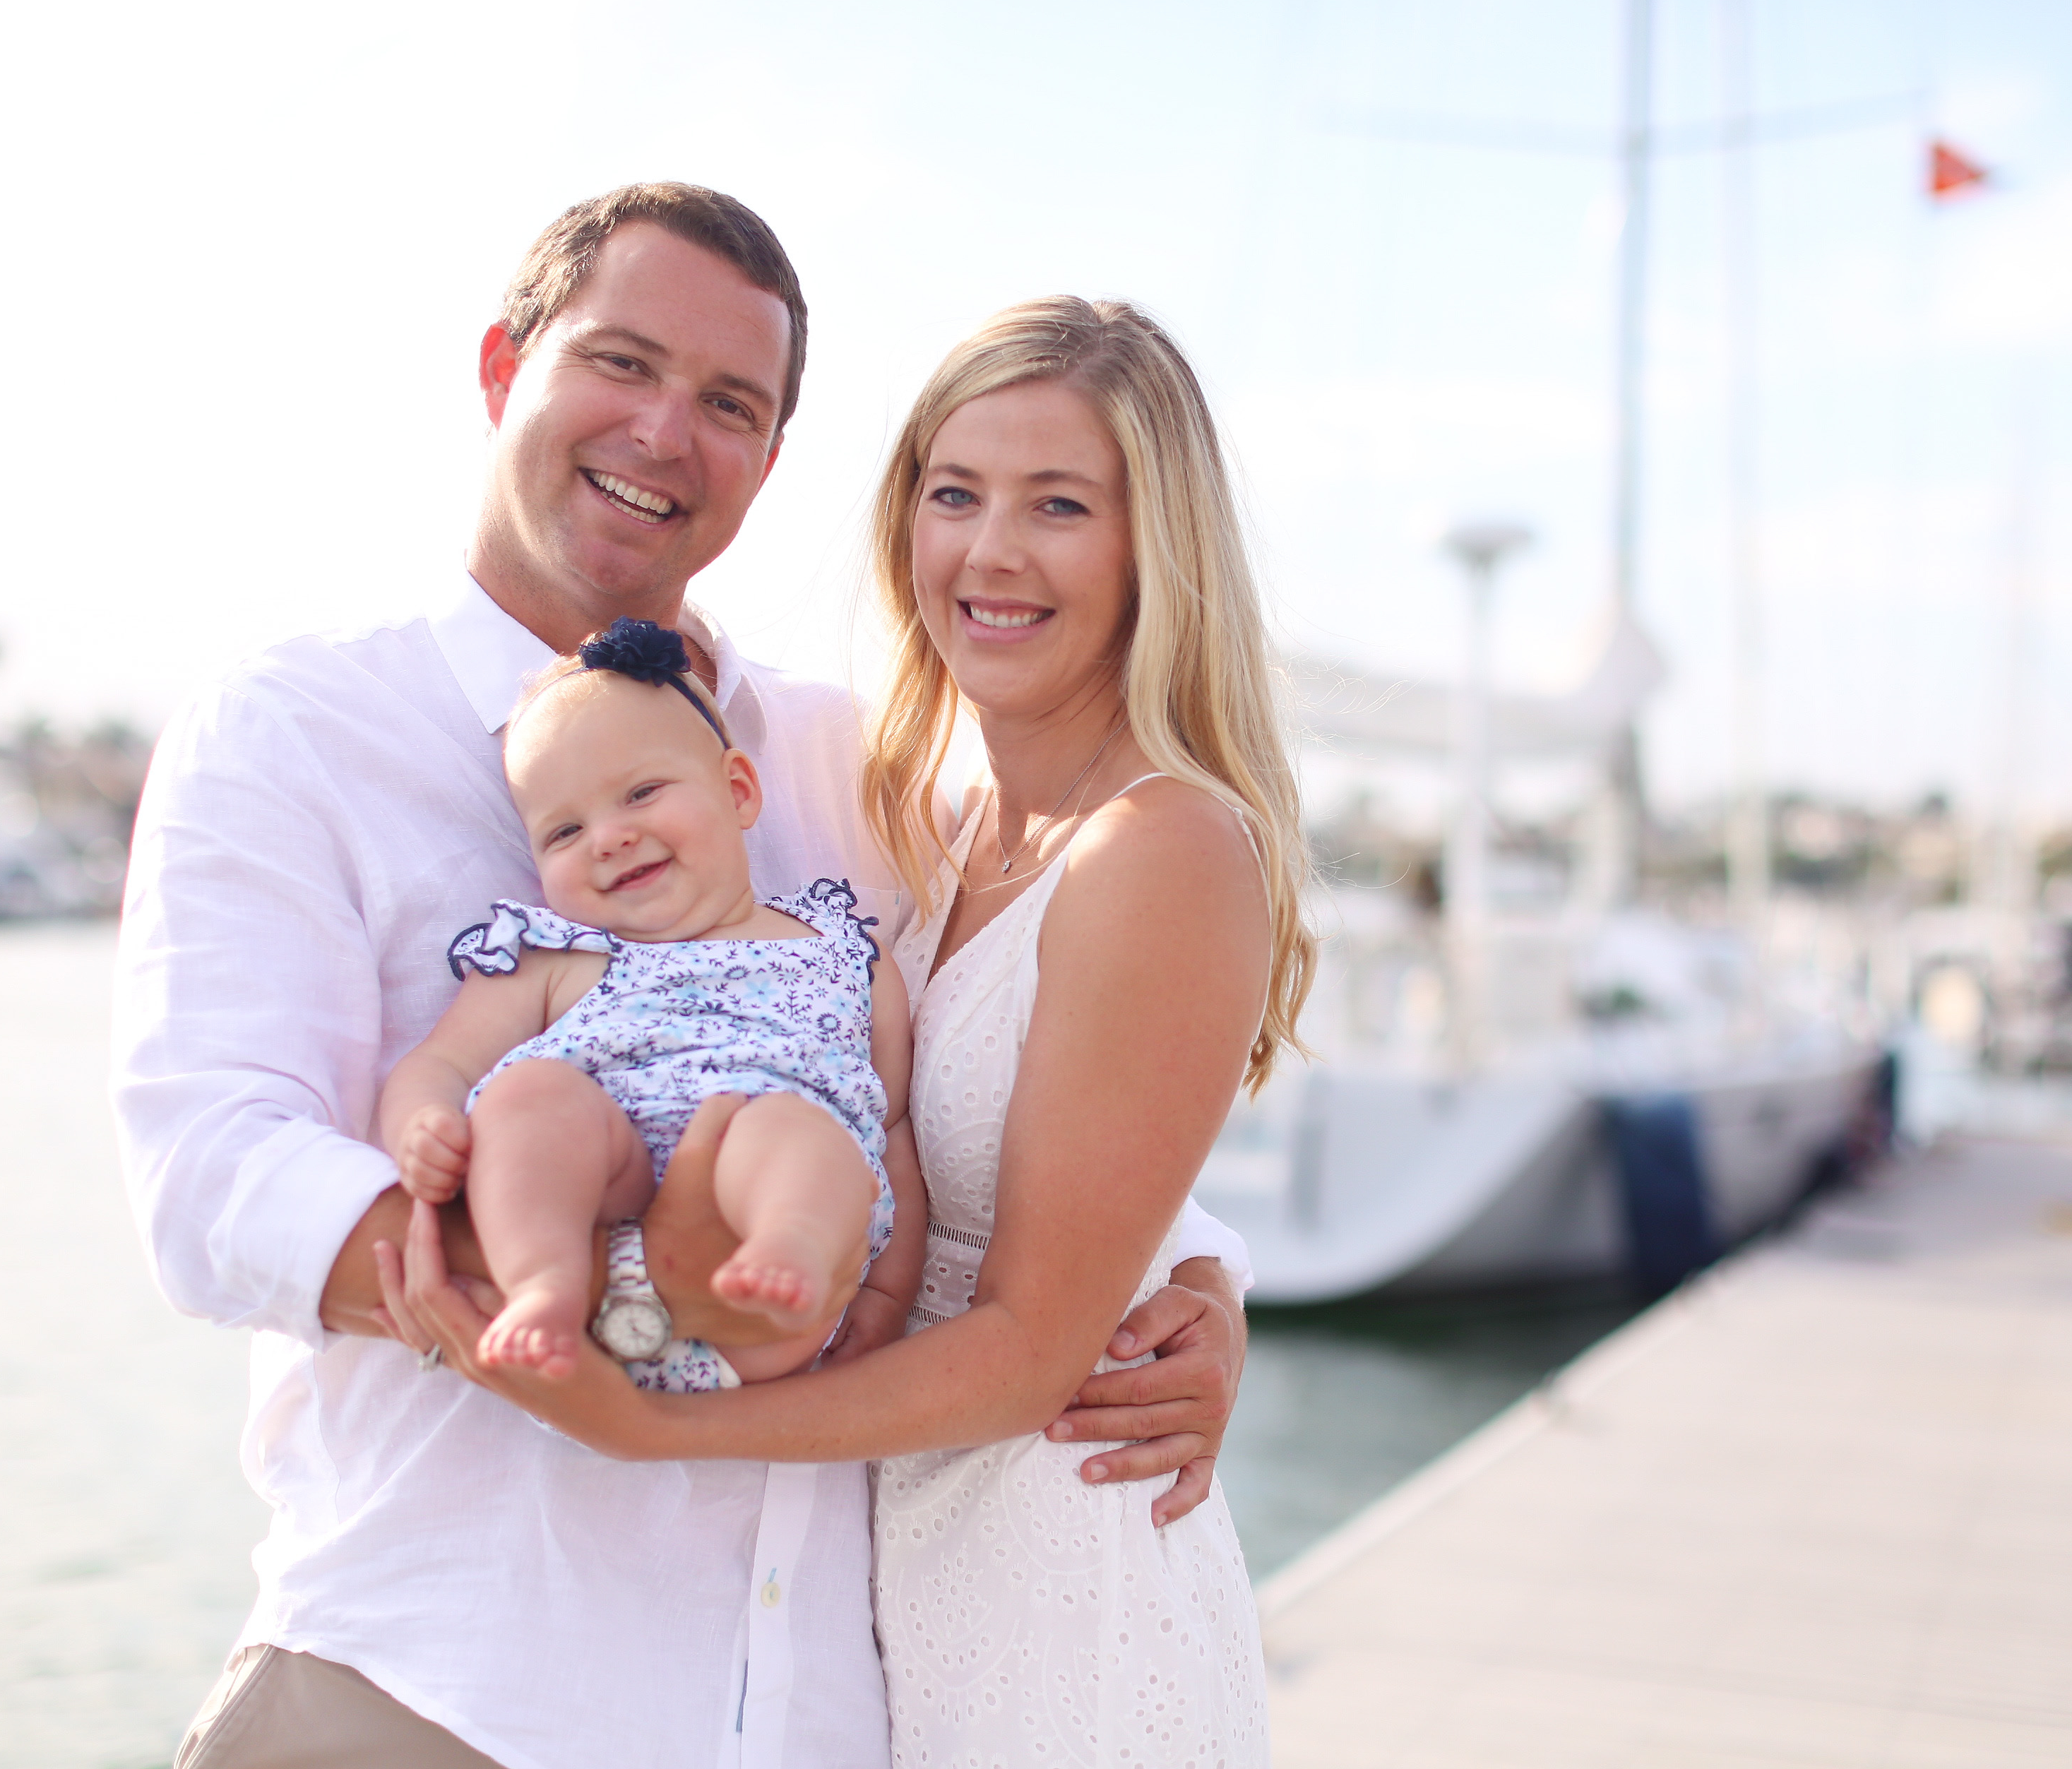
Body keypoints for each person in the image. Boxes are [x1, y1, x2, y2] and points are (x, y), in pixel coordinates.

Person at [115, 183, 1252, 1769]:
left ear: (770, 460)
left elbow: (1004, 1080)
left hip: (812, 1714)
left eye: (729, 402)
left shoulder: (845, 764)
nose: (664, 431)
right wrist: (592, 1303)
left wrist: (1193, 1288)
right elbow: (210, 1172)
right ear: (504, 367)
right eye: (621, 362)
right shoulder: (295, 727)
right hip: (442, 1683)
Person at [384, 296, 1308, 1765]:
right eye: (955, 493)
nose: (989, 552)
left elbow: (1032, 1341)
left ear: (1156, 547)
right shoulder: (926, 827)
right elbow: (1051, 1138)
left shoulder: (1163, 846)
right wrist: (1208, 1267)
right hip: (889, 1606)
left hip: (1061, 1592)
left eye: (1059, 504)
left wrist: (658, 1428)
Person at [378, 619, 924, 1388]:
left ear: (737, 791)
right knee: (528, 1095)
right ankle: (542, 1284)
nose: (608, 838)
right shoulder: (554, 956)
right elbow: (441, 1062)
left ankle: (787, 1250)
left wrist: (889, 1294)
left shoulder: (839, 948)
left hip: (772, 1299)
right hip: (608, 1229)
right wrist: (422, 1123)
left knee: (791, 1126)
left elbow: (892, 1126)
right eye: (565, 830)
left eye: (641, 793)